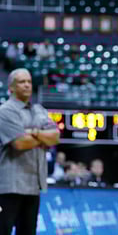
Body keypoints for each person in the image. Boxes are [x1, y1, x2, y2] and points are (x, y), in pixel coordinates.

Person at [0, 68, 60, 235]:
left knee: (28, 232)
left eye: (29, 81)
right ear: (11, 87)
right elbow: (19, 143)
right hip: (8, 186)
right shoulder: (5, 111)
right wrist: (42, 136)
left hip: (33, 186)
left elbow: (55, 137)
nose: (27, 85)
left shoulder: (38, 109)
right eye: (21, 82)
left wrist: (33, 132)